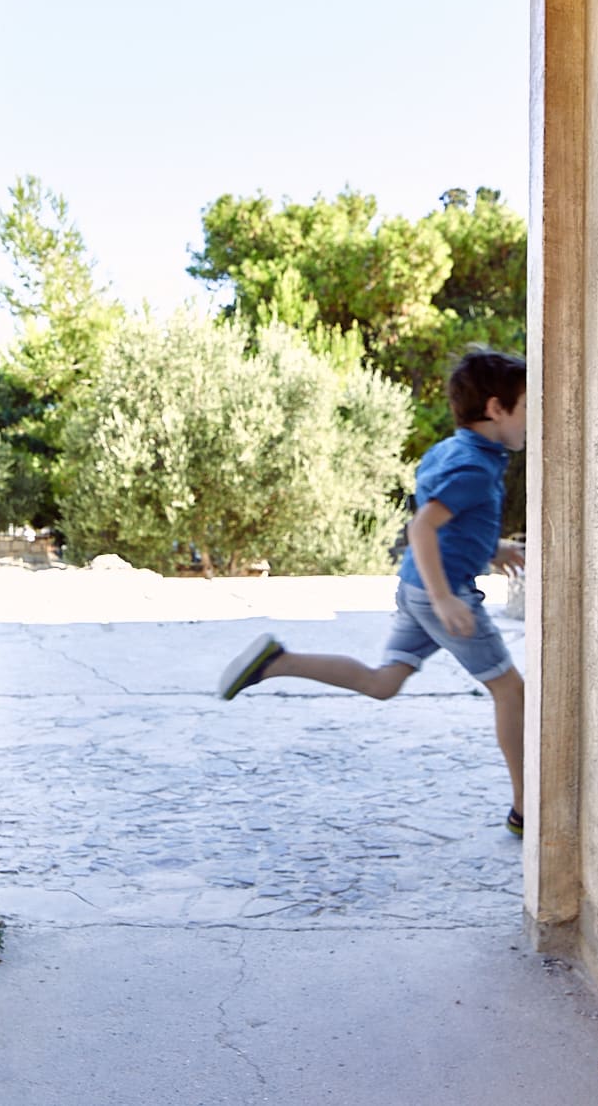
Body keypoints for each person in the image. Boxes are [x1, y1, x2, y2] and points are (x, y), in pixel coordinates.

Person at [218, 346, 527, 836]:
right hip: (438, 594)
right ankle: (524, 810)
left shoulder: (454, 451)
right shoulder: (475, 468)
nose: (532, 419)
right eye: (527, 406)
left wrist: (493, 547)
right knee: (511, 691)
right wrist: (446, 597)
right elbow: (422, 530)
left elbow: (451, 525)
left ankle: (277, 663)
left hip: (413, 587)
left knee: (383, 683)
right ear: (496, 408)